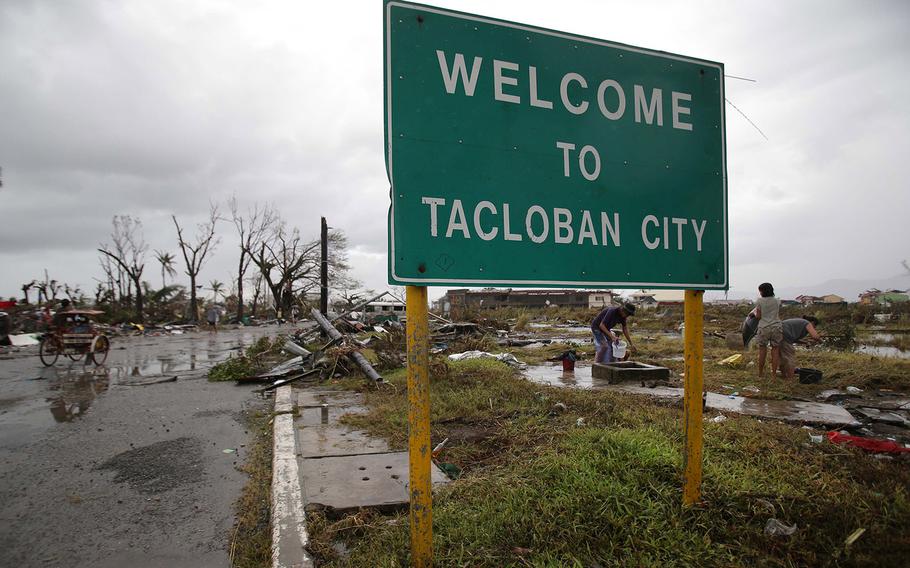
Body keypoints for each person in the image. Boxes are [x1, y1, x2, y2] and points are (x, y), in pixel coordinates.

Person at [743, 315, 822, 378]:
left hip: (777, 332)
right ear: (812, 322)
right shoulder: (806, 323)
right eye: (814, 326)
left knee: (782, 356)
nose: (814, 328)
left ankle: (784, 375)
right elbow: (815, 336)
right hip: (783, 333)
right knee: (789, 357)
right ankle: (790, 379)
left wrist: (805, 342)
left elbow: (792, 339)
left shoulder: (800, 324)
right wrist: (820, 340)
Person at [750, 282, 782, 378]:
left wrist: (753, 315)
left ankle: (760, 374)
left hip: (764, 328)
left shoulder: (759, 301)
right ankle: (773, 375)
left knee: (762, 351)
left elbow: (758, 316)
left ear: (762, 291)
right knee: (775, 351)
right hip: (776, 327)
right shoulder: (777, 301)